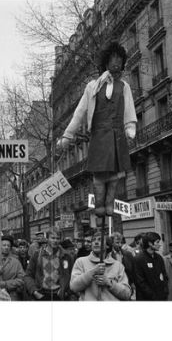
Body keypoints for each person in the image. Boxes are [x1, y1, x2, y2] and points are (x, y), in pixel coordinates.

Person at [57, 41, 137, 229]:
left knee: (115, 176)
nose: (116, 63)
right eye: (113, 59)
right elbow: (80, 112)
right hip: (99, 135)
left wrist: (130, 125)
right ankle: (100, 205)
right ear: (106, 62)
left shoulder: (124, 86)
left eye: (119, 59)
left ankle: (109, 204)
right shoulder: (92, 86)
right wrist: (68, 135)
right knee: (100, 176)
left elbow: (129, 108)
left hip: (117, 134)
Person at [70, 232, 131, 301]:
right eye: (94, 240)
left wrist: (109, 282)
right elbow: (73, 287)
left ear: (107, 245)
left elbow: (127, 293)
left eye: (100, 240)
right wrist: (92, 272)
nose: (96, 242)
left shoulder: (118, 265)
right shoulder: (80, 262)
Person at [24, 228, 74, 301]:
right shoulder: (37, 255)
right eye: (53, 238)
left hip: (59, 295)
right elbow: (28, 275)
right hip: (41, 294)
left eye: (58, 238)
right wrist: (34, 292)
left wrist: (67, 292)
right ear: (47, 238)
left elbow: (72, 275)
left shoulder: (66, 256)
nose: (55, 241)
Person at [133, 232, 168, 301]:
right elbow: (140, 282)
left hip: (161, 298)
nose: (159, 245)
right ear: (150, 243)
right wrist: (153, 296)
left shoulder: (159, 258)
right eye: (157, 242)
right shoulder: (138, 259)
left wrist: (165, 292)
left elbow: (164, 276)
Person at [0, 236, 25, 301]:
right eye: (4, 245)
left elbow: (21, 279)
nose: (6, 247)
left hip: (11, 295)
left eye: (8, 246)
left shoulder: (15, 261)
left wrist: (6, 284)